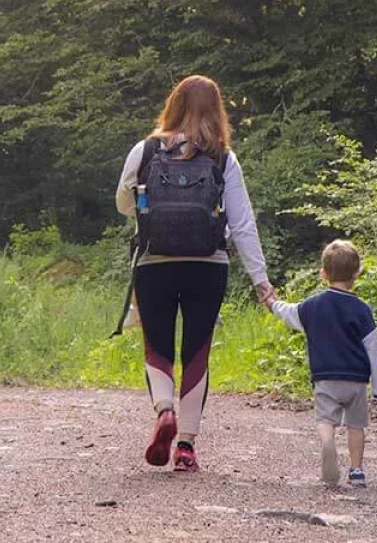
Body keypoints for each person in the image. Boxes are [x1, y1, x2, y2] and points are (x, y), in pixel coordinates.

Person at [116, 75, 274, 473]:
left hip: (154, 263)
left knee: (158, 346)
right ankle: (186, 446)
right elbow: (242, 224)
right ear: (217, 110)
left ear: (173, 104)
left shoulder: (147, 149)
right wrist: (260, 279)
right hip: (208, 264)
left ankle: (164, 410)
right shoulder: (223, 157)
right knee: (197, 351)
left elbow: (123, 203)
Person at [267, 240, 377, 488]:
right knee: (356, 426)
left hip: (324, 377)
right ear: (357, 273)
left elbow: (290, 313)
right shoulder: (362, 310)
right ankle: (356, 470)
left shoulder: (313, 306)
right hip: (356, 380)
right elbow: (373, 350)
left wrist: (272, 303)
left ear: (323, 273)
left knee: (325, 420)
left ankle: (327, 444)